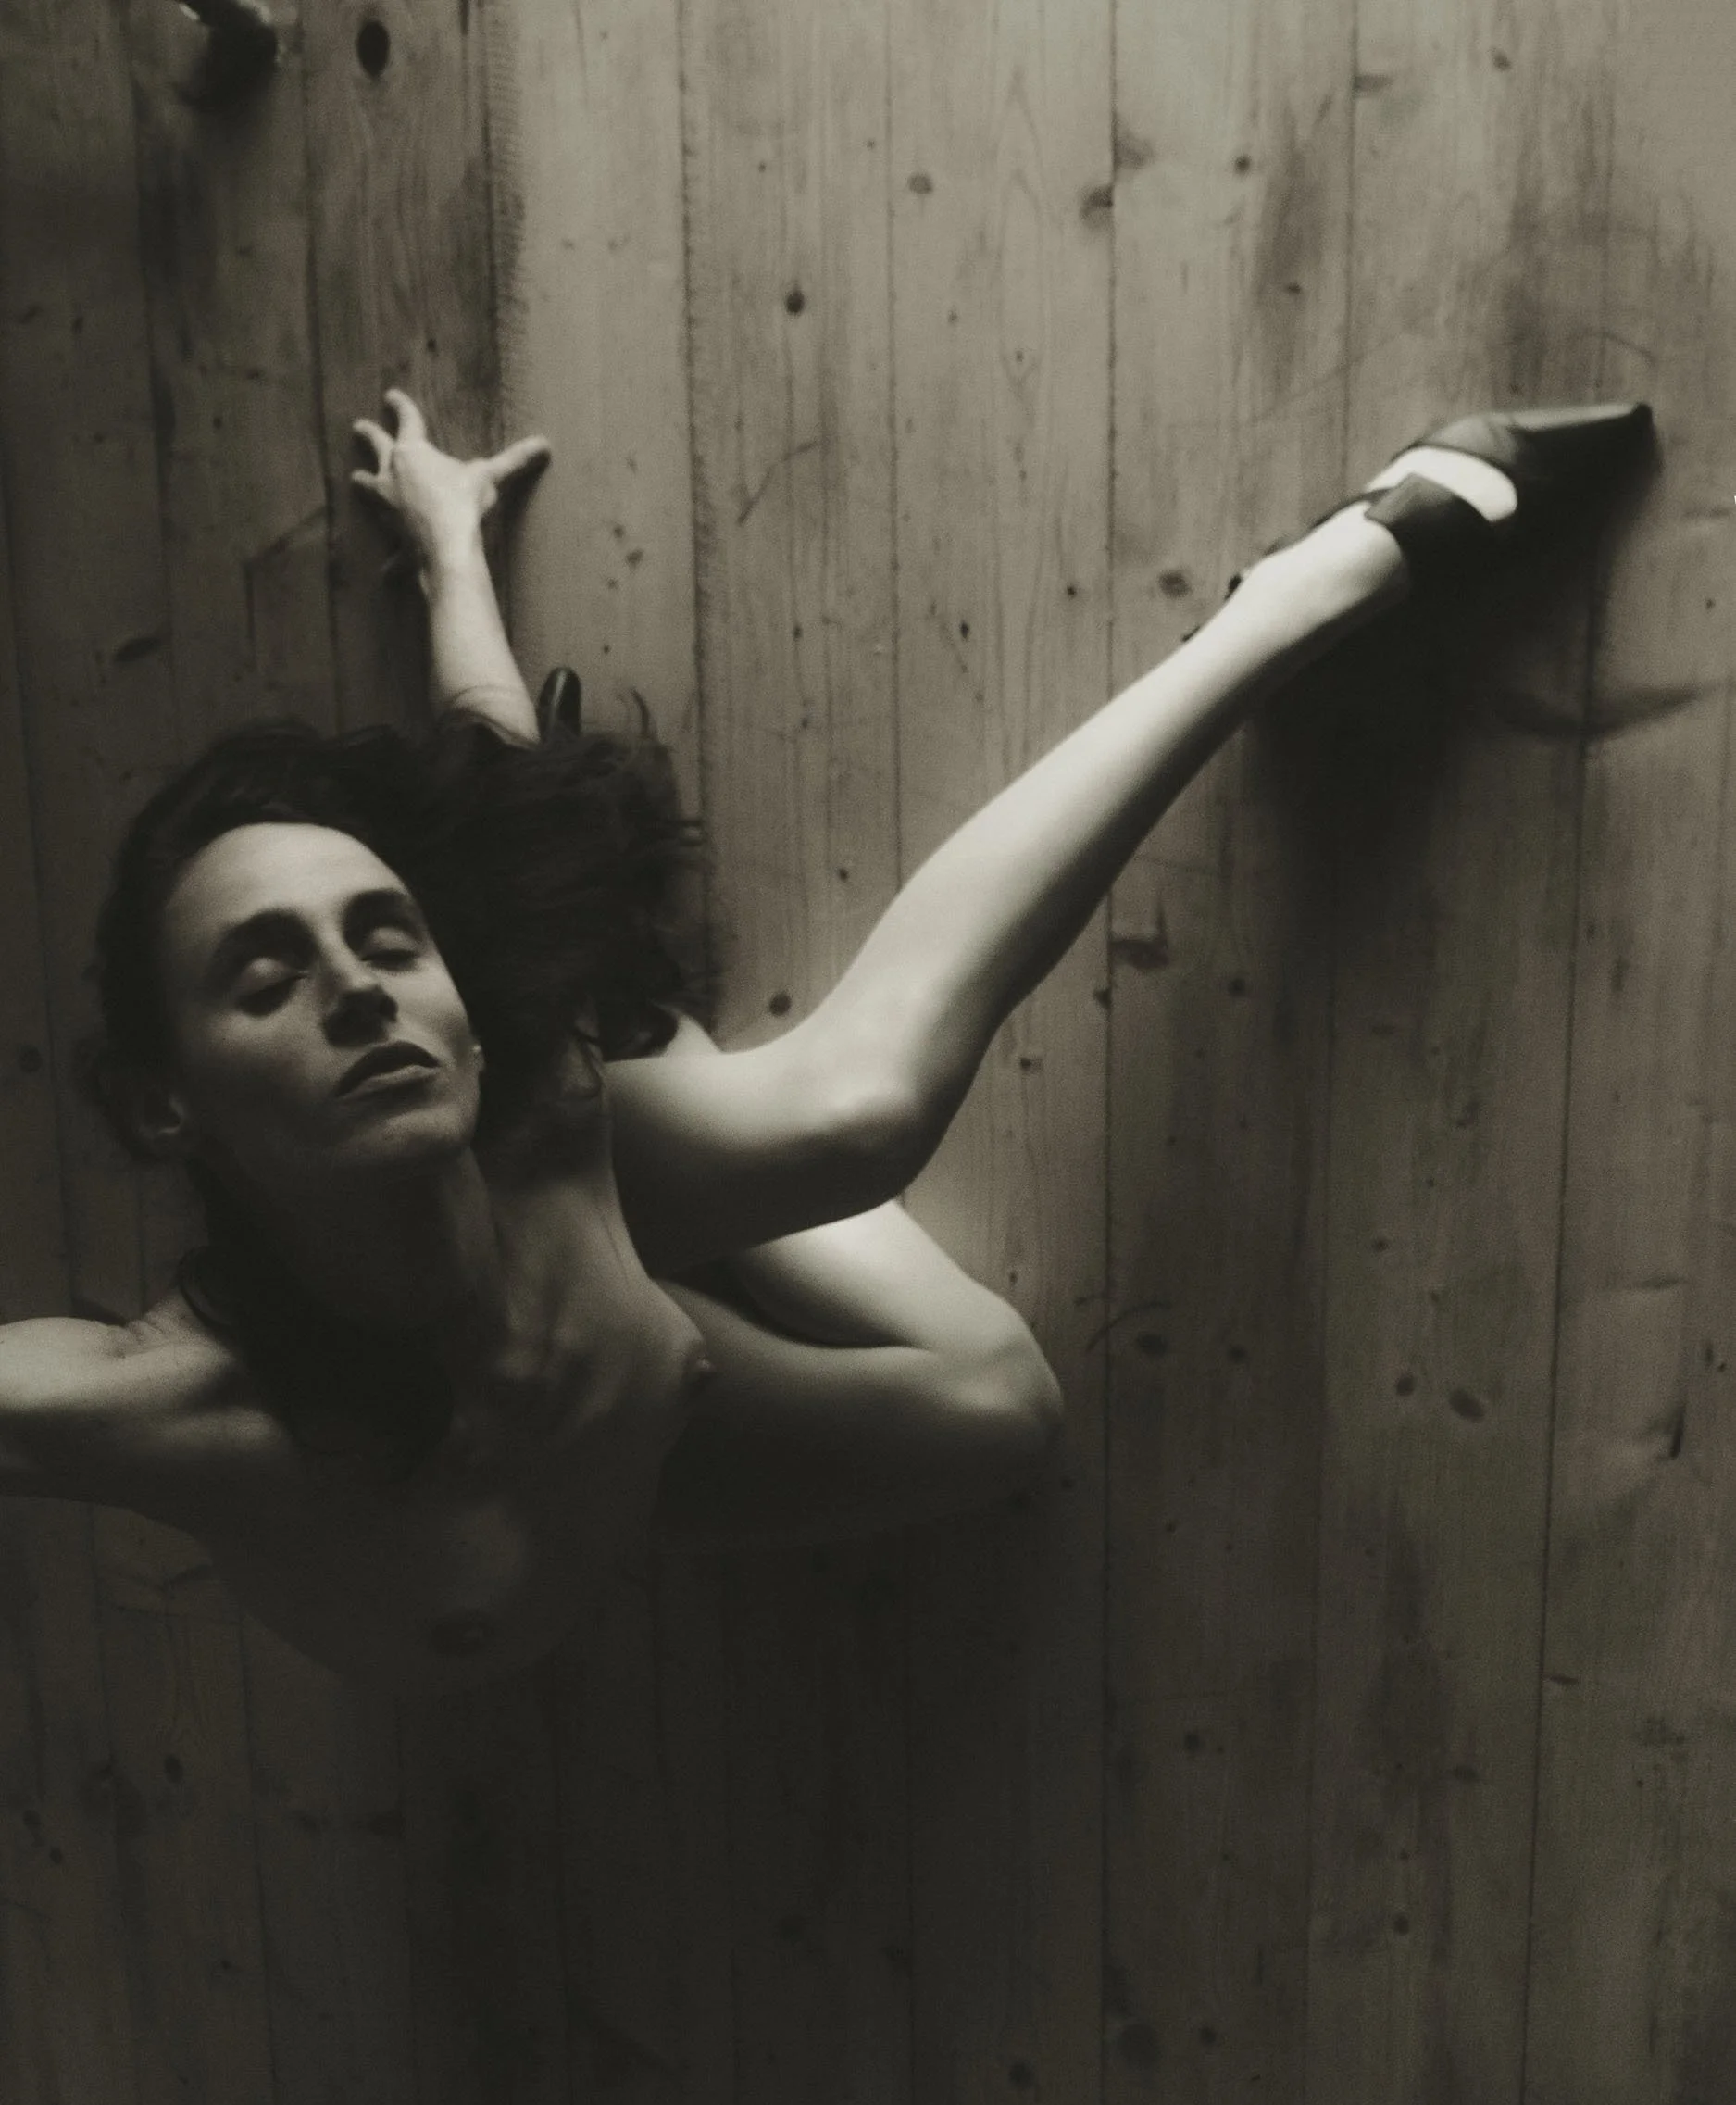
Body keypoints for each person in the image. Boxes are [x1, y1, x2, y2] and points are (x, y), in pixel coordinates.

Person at [0, 390, 1651, 1696]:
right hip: (632, 1465)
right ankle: (697, 1140)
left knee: (857, 1110)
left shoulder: (531, 1087)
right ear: (163, 1106)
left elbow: (495, 814)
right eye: (265, 978)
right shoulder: (181, 1412)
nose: (361, 990)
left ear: (462, 1002)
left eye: (384, 940)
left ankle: (1305, 593)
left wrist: (451, 557)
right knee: (1001, 1408)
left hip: (582, 1205)